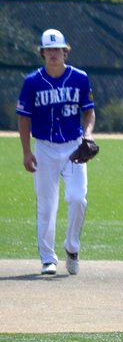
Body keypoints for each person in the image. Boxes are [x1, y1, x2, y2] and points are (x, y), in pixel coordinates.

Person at [17, 28, 97, 276]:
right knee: (46, 206)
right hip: (45, 148)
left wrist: (88, 134)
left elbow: (89, 111)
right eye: (49, 50)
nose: (53, 53)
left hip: (74, 147)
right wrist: (26, 152)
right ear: (42, 53)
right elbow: (23, 118)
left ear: (65, 51)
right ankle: (47, 259)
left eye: (58, 49)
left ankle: (72, 248)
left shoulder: (80, 78)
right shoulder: (32, 82)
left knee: (77, 199)